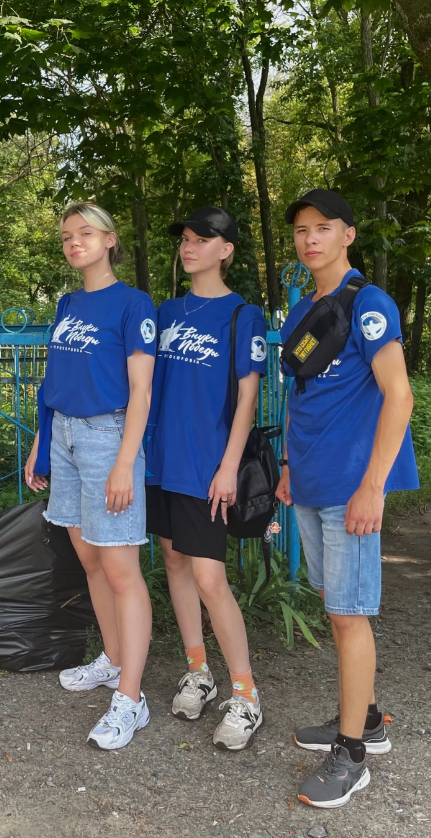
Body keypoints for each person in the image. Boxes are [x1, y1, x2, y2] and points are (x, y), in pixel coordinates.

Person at [276, 189, 418, 808]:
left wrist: (372, 486)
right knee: (333, 600)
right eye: (302, 230)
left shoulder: (369, 305)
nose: (311, 239)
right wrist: (285, 465)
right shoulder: (301, 310)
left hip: (350, 487)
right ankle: (370, 718)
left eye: (323, 228)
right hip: (307, 479)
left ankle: (353, 753)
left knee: (347, 612)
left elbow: (399, 396)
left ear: (348, 235)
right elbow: (298, 396)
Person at [24, 202, 156, 750]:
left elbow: (142, 390)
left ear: (109, 241)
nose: (73, 242)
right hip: (65, 436)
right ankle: (112, 658)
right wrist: (40, 445)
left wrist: (125, 460)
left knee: (121, 566)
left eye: (85, 234)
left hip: (109, 438)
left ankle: (132, 698)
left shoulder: (133, 304)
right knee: (90, 559)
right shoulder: (68, 302)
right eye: (66, 236)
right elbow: (56, 378)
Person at [144, 207, 268, 751]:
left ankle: (246, 694)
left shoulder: (244, 316)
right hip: (161, 463)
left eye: (202, 239)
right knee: (173, 561)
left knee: (210, 578)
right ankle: (198, 670)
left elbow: (248, 397)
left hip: (205, 467)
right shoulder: (165, 311)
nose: (189, 247)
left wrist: (227, 466)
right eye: (186, 239)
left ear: (227, 250)